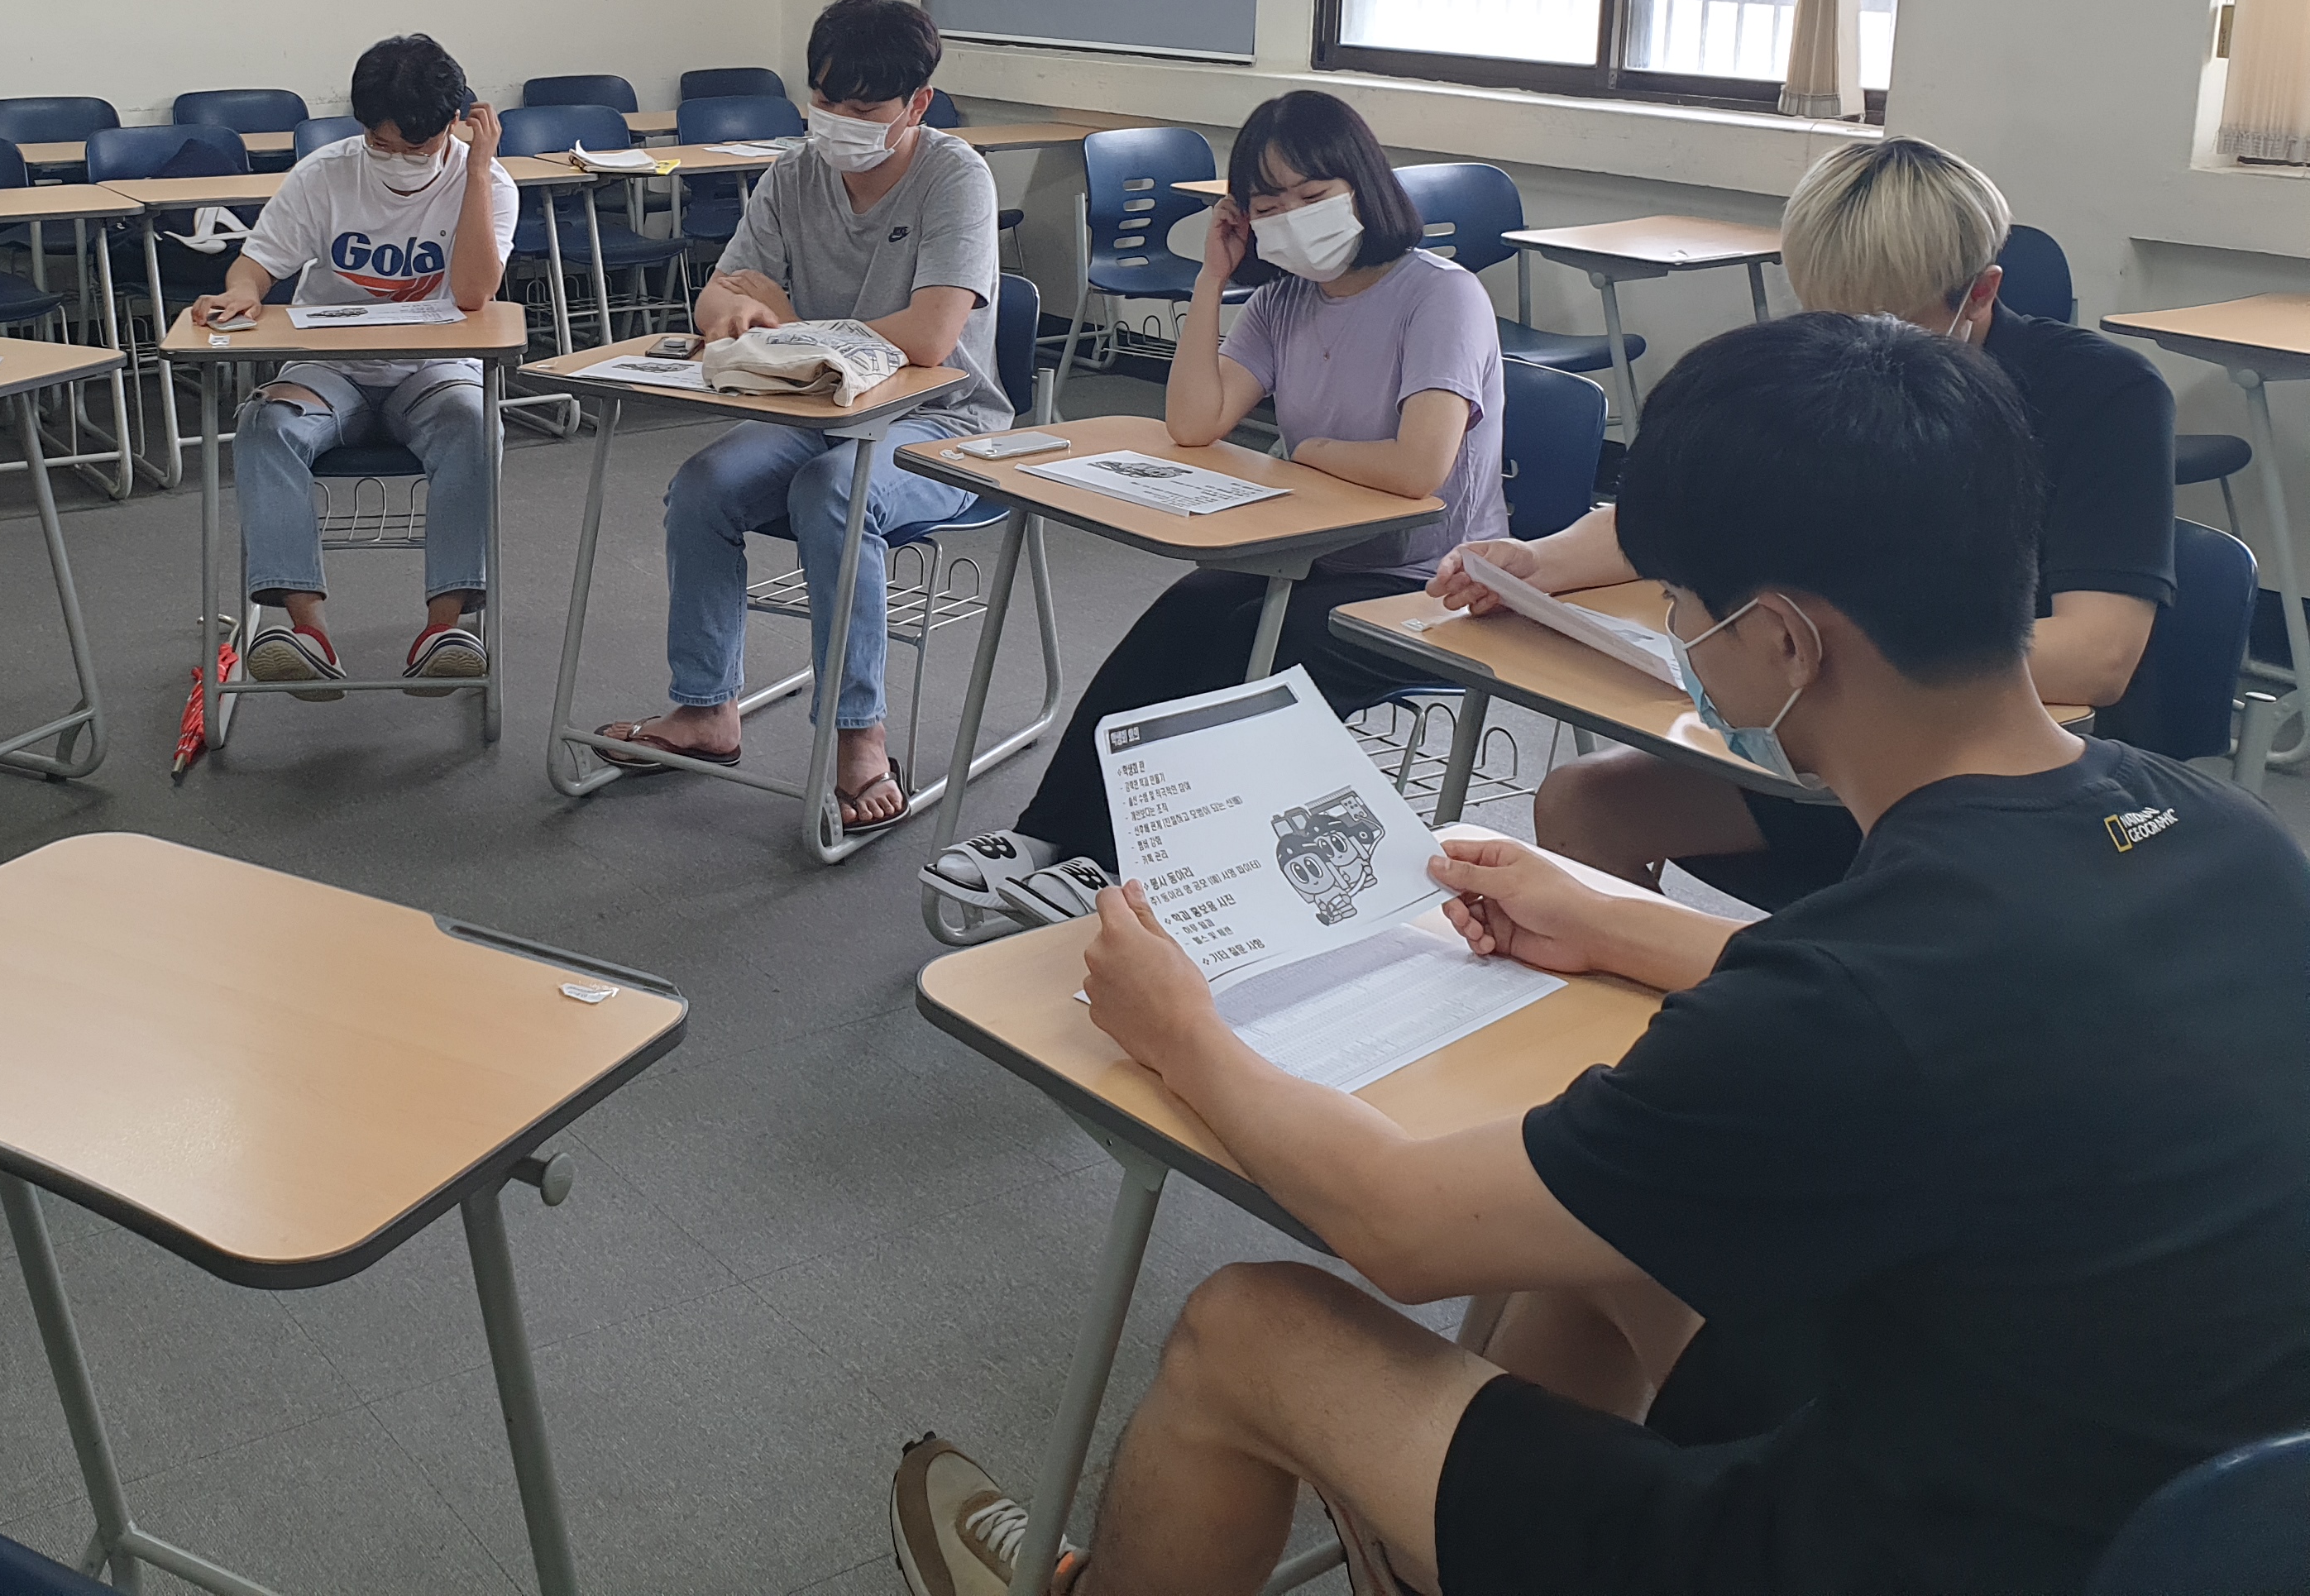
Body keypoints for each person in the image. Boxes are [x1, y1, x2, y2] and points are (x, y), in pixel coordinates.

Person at [887, 314, 2310, 1596]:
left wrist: (1179, 1027)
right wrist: (1618, 919)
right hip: (2152, 1508)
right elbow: (1946, 1015)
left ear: (1781, 642)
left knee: (1246, 1328)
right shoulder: (2214, 834)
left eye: (1681, 603)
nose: (1677, 636)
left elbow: (1396, 1224)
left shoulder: (1857, 997)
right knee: (1604, 1234)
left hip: (1893, 1542)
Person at [1437, 136, 2174, 903]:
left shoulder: (2101, 394)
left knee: (1899, 908)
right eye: (1828, 316)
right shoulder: (1809, 370)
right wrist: (1538, 563)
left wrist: (1827, 667)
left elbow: (2099, 655)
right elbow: (1689, 509)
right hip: (1834, 737)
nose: (1854, 353)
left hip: (2003, 764)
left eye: (1890, 322)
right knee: (1584, 804)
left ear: (1981, 293)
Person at [924, 91, 1504, 927]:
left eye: (1313, 196)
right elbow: (1196, 423)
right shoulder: (1285, 300)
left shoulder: (1441, 296)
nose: (1292, 219)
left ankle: (1122, 871)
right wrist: (1211, 280)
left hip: (1430, 584)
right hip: (1310, 553)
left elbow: (1419, 469)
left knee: (1254, 648)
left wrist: (1309, 452)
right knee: (1181, 619)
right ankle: (1049, 836)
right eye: (1269, 206)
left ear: (1364, 186)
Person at [603, 0, 1009, 829]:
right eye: (824, 100)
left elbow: (931, 338)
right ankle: (706, 708)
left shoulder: (955, 176)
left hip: (944, 424)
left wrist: (787, 322)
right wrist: (744, 313)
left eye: (863, 110)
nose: (837, 123)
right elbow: (718, 298)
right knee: (703, 487)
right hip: (820, 407)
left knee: (834, 492)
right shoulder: (795, 174)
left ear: (917, 105)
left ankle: (860, 734)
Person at [184, 34, 514, 694]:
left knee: (476, 426)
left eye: (416, 148)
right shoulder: (325, 173)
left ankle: (444, 631)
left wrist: (476, 172)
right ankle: (306, 633)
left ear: (454, 123)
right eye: (381, 145)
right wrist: (242, 292)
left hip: (433, 370)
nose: (398, 161)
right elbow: (257, 264)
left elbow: (475, 294)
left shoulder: (490, 184)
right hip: (330, 367)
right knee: (265, 425)